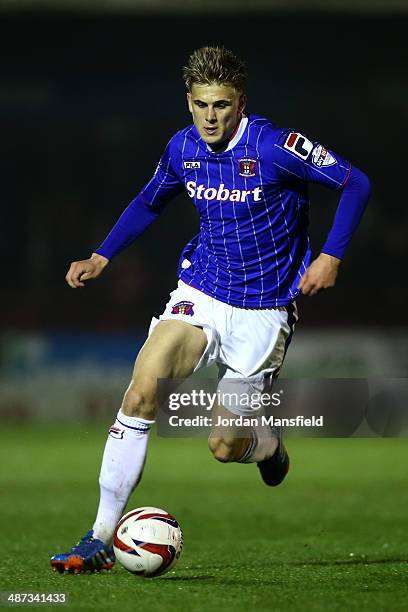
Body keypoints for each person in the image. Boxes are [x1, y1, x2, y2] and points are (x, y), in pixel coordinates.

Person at [51, 46, 371, 573]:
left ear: (240, 101)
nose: (210, 117)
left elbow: (355, 182)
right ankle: (99, 536)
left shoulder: (275, 146)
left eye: (221, 105)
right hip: (201, 290)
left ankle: (266, 447)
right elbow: (150, 199)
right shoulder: (182, 148)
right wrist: (102, 254)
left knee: (224, 444)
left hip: (264, 312)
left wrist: (332, 255)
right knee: (141, 389)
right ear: (189, 100)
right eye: (201, 105)